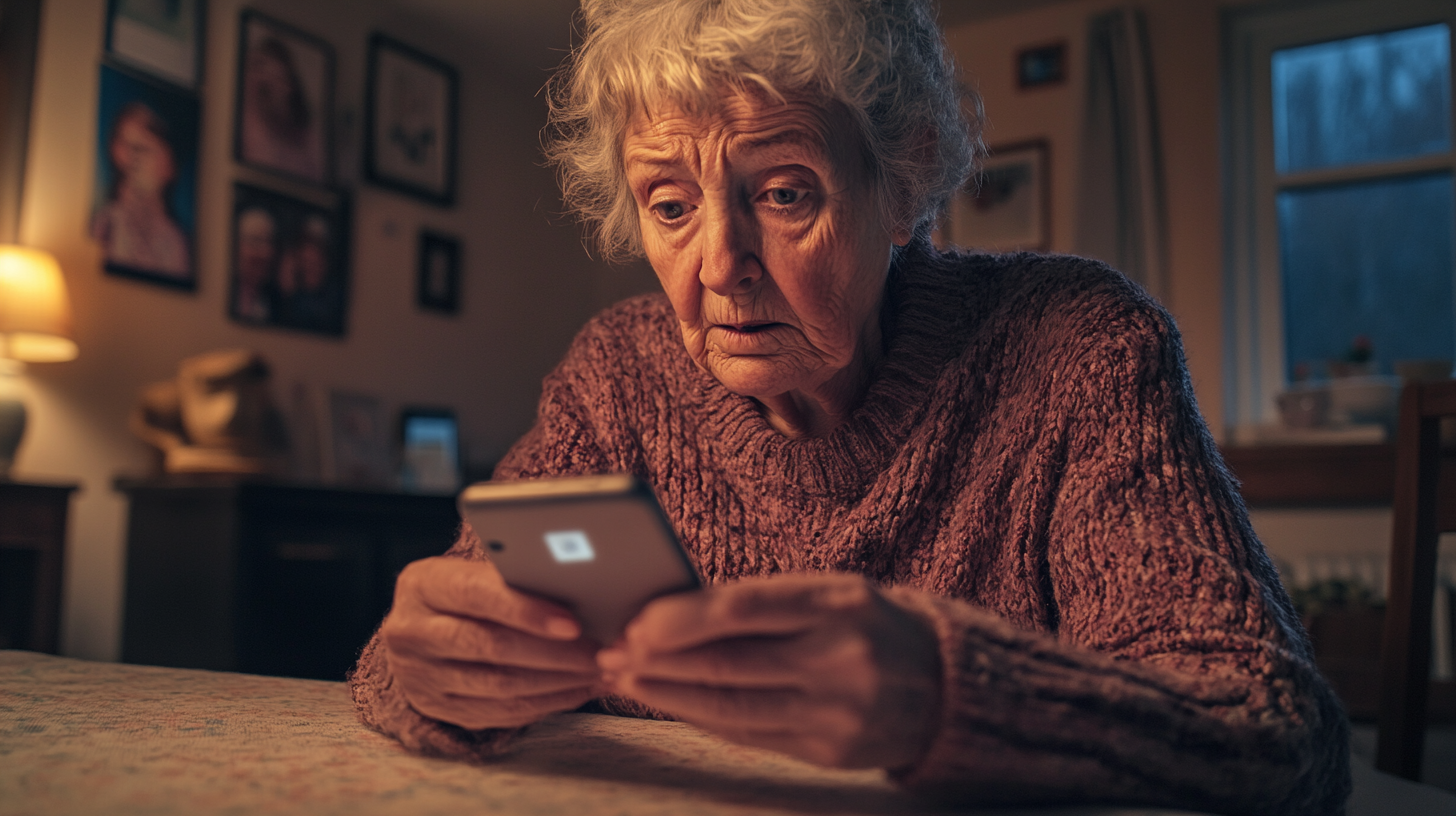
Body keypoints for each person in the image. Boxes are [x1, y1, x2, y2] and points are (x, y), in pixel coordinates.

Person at [349, 1, 1350, 813]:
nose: (719, 266)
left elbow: (1271, 731)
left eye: (784, 193)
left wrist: (950, 698)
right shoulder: (617, 372)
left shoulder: (1077, 344)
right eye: (669, 204)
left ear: (904, 178)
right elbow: (416, 659)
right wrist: (428, 669)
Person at [91, 101, 191, 278]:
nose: (131, 159)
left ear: (171, 166)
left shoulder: (177, 242)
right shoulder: (107, 224)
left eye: (142, 149)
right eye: (125, 146)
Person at [240, 35, 324, 182]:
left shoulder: (306, 142)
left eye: (280, 80)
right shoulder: (242, 126)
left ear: (290, 87)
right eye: (257, 70)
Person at [232, 206, 277, 323]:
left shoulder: (276, 300)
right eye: (256, 241)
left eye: (269, 242)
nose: (266, 253)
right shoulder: (222, 293)